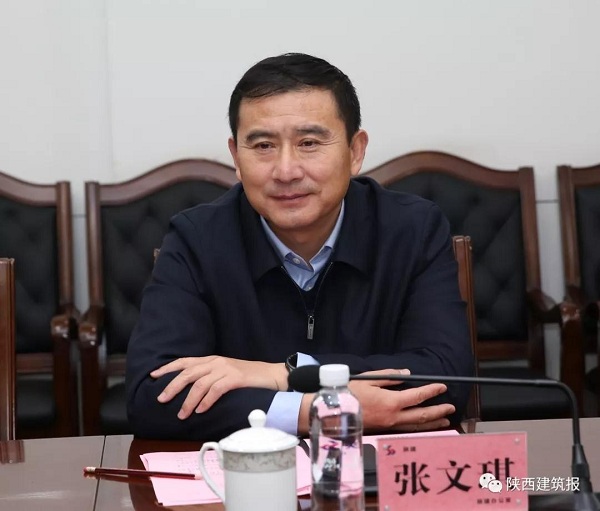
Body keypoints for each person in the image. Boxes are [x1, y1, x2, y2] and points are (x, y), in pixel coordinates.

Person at [126, 53, 473, 441]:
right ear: (236, 156)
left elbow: (448, 378)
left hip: (382, 469)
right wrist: (322, 410)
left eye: (309, 143)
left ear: (355, 151)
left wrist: (280, 374)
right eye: (263, 146)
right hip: (248, 472)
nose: (286, 171)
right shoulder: (197, 239)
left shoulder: (412, 229)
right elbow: (153, 394)